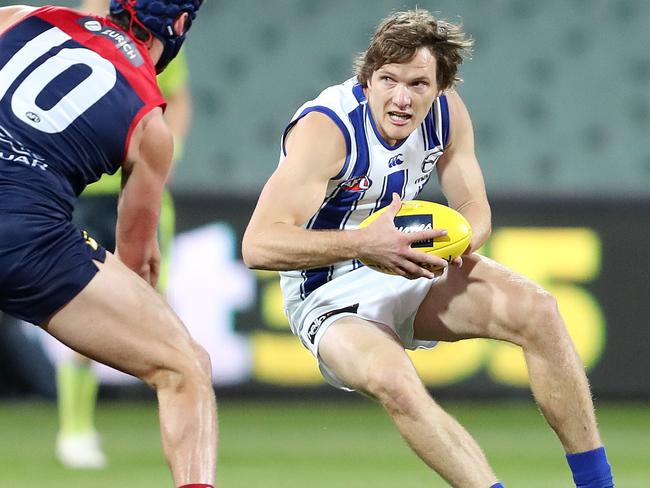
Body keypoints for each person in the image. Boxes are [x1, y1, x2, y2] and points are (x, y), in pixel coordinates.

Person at [242, 9, 614, 488]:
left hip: (405, 262)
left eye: (418, 84)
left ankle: (598, 485)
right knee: (395, 381)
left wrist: (459, 243)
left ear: (441, 86)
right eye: (387, 79)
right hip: (327, 293)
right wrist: (363, 244)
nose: (400, 98)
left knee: (539, 310)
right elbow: (258, 244)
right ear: (367, 77)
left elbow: (474, 207)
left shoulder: (447, 113)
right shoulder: (328, 130)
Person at [0, 2, 217, 487]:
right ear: (178, 27)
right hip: (25, 235)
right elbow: (134, 266)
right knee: (186, 366)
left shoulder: (27, 16)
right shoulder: (149, 121)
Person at [52, 0, 194, 470]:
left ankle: (176, 426)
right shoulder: (72, 28)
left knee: (154, 308)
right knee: (87, 307)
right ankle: (75, 427)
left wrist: (160, 159)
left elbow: (178, 101)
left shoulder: (151, 37)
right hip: (83, 189)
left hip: (139, 187)